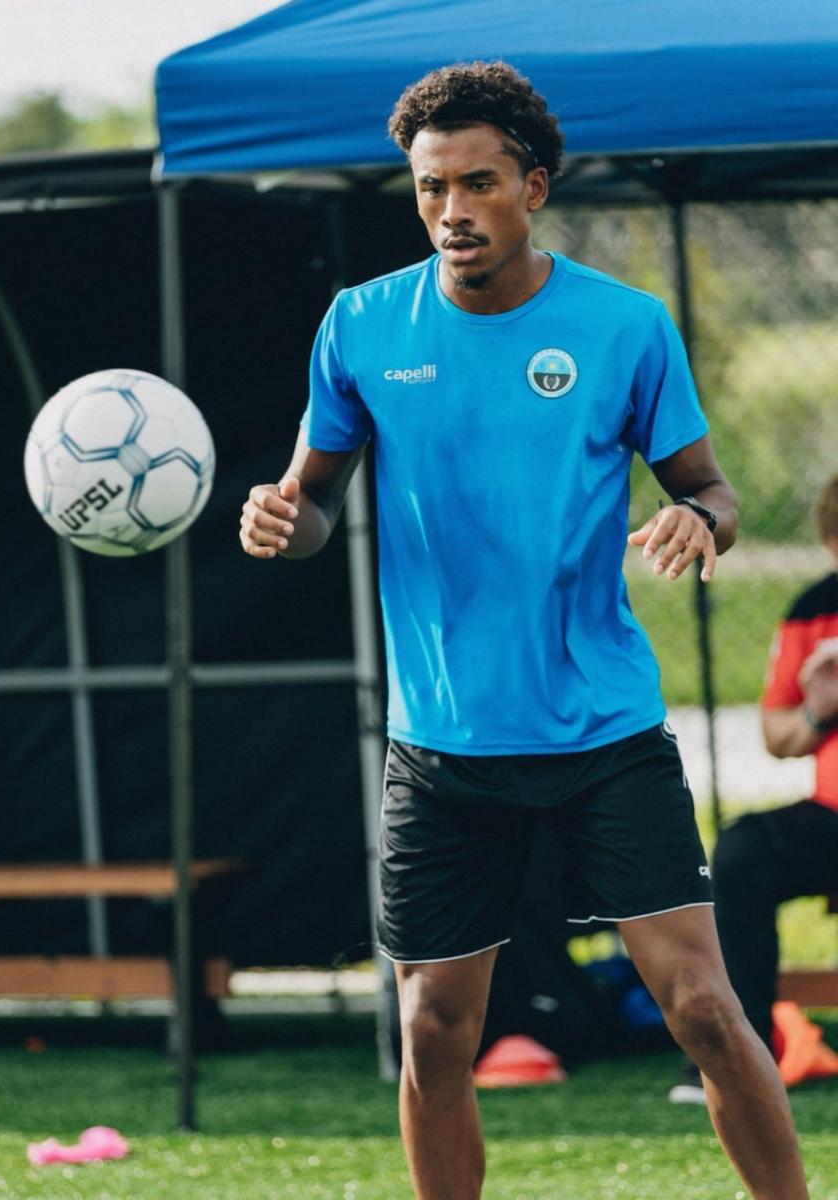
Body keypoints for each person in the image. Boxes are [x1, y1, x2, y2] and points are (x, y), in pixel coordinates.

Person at [239, 60, 807, 1200]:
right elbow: (311, 513)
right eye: (430, 188)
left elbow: (716, 490)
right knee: (437, 1033)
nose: (452, 210)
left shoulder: (624, 327)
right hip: (443, 750)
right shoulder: (359, 326)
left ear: (533, 186)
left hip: (602, 730)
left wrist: (697, 521)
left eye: (478, 183)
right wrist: (278, 521)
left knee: (702, 1006)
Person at [678, 476, 838, 1096]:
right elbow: (778, 737)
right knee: (744, 849)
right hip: (830, 815)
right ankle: (740, 1057)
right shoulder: (814, 609)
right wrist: (818, 712)